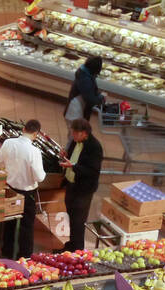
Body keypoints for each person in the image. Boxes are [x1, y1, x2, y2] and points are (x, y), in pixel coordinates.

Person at [0, 120, 46, 260]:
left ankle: (6, 252)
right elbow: (40, 177)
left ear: (23, 129)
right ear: (36, 134)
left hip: (10, 190)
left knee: (9, 222)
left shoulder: (8, 143)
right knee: (27, 226)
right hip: (27, 193)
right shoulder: (35, 151)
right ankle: (24, 256)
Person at [59, 118, 103, 253]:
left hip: (83, 190)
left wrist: (73, 166)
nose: (72, 136)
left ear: (84, 133)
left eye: (75, 133)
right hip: (71, 185)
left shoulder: (95, 147)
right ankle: (71, 245)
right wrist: (66, 155)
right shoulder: (75, 141)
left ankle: (77, 250)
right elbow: (73, 156)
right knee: (71, 216)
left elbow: (92, 171)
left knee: (78, 220)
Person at [64, 56, 106, 136]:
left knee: (73, 137)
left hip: (75, 111)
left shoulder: (84, 74)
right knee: (74, 138)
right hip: (75, 112)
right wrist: (100, 98)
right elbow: (90, 98)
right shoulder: (85, 79)